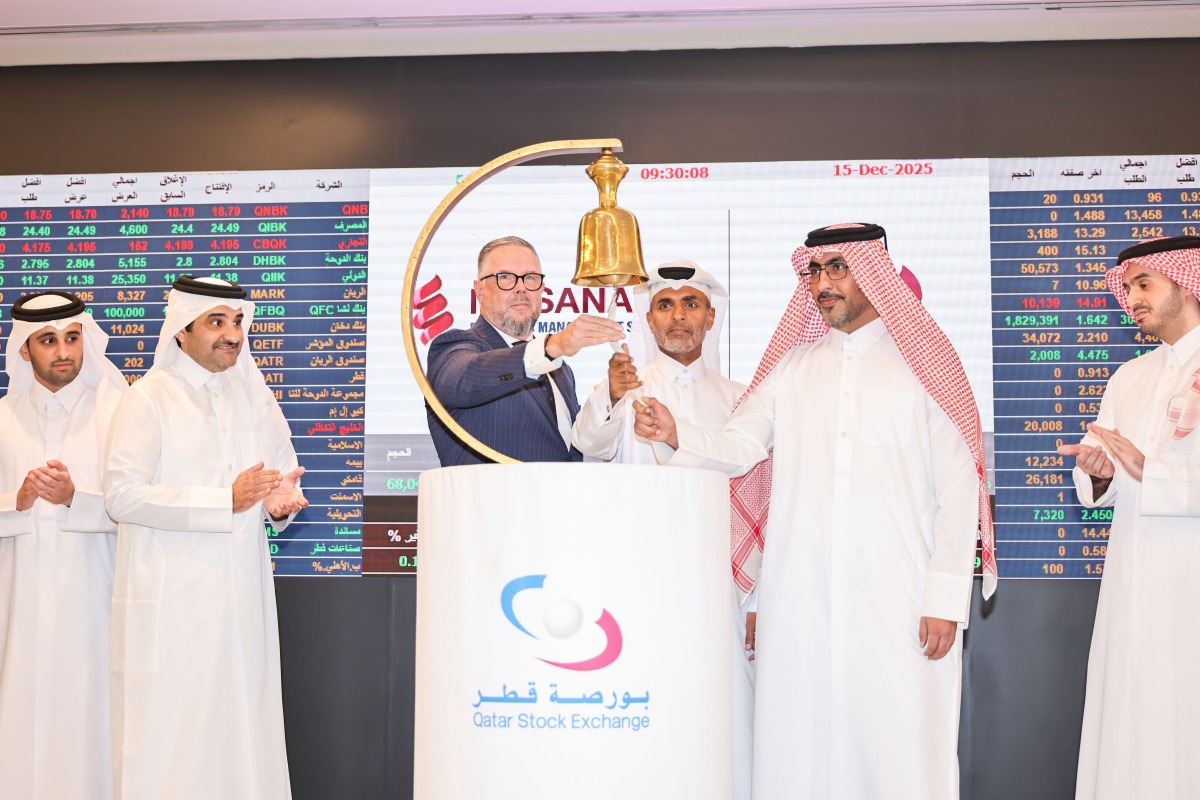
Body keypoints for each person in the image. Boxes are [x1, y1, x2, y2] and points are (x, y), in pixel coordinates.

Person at [634, 223, 995, 800]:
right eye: (815, 273)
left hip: (898, 595)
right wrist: (681, 434)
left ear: (875, 273)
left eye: (838, 269)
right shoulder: (792, 368)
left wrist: (946, 599)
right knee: (799, 746)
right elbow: (739, 447)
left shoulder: (926, 368)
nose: (823, 284)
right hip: (799, 597)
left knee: (899, 740)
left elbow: (958, 490)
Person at [104, 276, 307, 800]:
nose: (232, 335)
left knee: (242, 730)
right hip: (173, 608)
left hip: (241, 602)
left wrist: (277, 504)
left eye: (238, 322)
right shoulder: (147, 399)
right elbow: (121, 496)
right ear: (181, 331)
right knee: (175, 742)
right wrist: (225, 499)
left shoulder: (252, 398)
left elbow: (281, 478)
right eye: (217, 322)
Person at [571, 261, 757, 800]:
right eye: (666, 305)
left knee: (720, 716)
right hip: (637, 584)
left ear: (711, 317)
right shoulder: (625, 384)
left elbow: (760, 500)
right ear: (649, 320)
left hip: (719, 588)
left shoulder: (741, 399)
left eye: (691, 304)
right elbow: (590, 445)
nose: (679, 317)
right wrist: (609, 394)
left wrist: (756, 598)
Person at [1057, 235, 1200, 800]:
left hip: (1189, 581)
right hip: (1131, 581)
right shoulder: (1128, 378)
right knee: (1132, 714)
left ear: (1186, 283)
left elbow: (1149, 471)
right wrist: (1101, 470)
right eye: (1127, 286)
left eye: (1144, 285)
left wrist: (1151, 468)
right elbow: (1109, 486)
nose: (1130, 299)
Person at [0, 292, 127, 799]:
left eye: (73, 338)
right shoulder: (2, 418)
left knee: (92, 716)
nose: (63, 352)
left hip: (95, 599)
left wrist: (78, 499)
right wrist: (18, 500)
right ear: (24, 350)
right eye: (48, 341)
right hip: (18, 606)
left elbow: (141, 506)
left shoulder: (118, 413)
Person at [425, 235, 624, 465]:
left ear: (542, 290)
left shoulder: (561, 371)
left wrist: (611, 396)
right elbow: (463, 380)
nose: (521, 288)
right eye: (506, 277)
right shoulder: (455, 347)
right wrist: (553, 346)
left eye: (530, 278)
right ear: (479, 290)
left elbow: (574, 447)